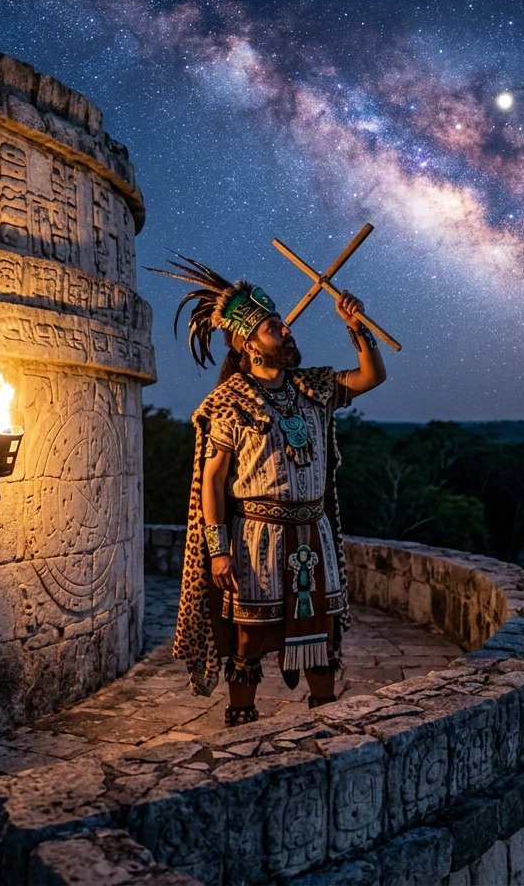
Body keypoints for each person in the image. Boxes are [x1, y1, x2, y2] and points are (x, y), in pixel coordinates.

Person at [152, 255, 387, 724]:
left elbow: (371, 377)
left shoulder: (312, 387)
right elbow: (212, 481)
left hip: (313, 538)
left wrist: (356, 326)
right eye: (274, 328)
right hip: (256, 540)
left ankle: (324, 722)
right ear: (248, 345)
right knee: (248, 639)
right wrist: (218, 551)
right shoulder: (228, 402)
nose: (287, 333)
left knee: (321, 636)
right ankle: (242, 724)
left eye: (284, 325)